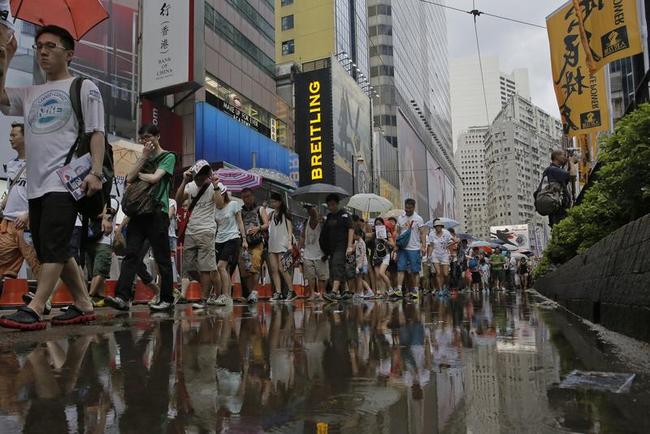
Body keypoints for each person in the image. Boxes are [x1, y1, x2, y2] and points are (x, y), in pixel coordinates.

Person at [0, 26, 104, 329]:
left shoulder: (84, 86)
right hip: (35, 186)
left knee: (55, 244)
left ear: (69, 54)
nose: (42, 51)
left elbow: (96, 132)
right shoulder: (30, 93)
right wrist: (4, 61)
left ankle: (36, 306)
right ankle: (84, 303)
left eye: (50, 46)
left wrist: (96, 172)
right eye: (38, 46)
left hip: (65, 181)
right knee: (51, 248)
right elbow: (1, 97)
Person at [105, 124, 176, 312]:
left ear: (157, 136)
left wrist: (141, 175)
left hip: (157, 212)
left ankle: (167, 299)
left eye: (148, 137)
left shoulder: (168, 157)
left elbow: (155, 178)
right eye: (142, 138)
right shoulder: (143, 157)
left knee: (162, 258)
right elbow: (129, 178)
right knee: (131, 255)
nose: (145, 141)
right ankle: (123, 297)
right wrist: (143, 158)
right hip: (138, 214)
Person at [0, 123, 41, 291]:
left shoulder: (38, 164)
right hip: (8, 223)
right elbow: (12, 189)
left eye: (14, 135)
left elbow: (42, 195)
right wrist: (3, 204)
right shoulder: (11, 165)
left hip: (28, 225)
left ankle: (44, 300)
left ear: (26, 138)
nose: (10, 138)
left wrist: (28, 214)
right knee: (3, 262)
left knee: (37, 263)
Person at [175, 160, 218, 309]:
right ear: (194, 174)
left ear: (208, 174)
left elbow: (219, 204)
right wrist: (183, 180)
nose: (201, 177)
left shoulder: (214, 186)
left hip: (207, 230)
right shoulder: (189, 186)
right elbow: (178, 200)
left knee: (206, 267)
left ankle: (204, 299)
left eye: (204, 174)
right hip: (191, 231)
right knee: (188, 267)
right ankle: (209, 289)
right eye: (198, 174)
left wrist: (216, 185)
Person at [213, 183, 247, 308]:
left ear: (223, 194)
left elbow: (240, 222)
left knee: (221, 266)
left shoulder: (233, 205)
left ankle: (226, 296)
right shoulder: (215, 208)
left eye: (219, 194)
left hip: (232, 238)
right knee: (221, 269)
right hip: (219, 240)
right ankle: (224, 295)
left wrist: (244, 239)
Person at [320, 194, 354, 302]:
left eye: (333, 205)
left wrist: (349, 246)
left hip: (342, 246)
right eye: (329, 205)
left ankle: (334, 292)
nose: (331, 207)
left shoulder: (344, 215)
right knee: (334, 269)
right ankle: (344, 292)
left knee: (337, 267)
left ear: (338, 204)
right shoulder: (329, 217)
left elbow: (351, 229)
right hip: (331, 248)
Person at [86, 198, 119, 306]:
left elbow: (109, 214)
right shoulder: (93, 202)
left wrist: (96, 214)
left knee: (99, 271)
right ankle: (101, 298)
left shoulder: (111, 201)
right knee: (93, 272)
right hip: (91, 240)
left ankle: (88, 298)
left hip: (105, 241)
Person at [239, 187, 269, 304]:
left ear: (253, 196)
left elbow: (267, 224)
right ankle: (249, 293)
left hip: (257, 242)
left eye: (248, 196)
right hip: (244, 242)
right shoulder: (240, 211)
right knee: (245, 269)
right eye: (244, 197)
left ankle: (253, 292)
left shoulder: (260, 209)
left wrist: (258, 228)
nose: (246, 199)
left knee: (255, 266)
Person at [395, 199, 427, 300]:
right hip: (403, 248)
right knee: (401, 269)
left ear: (414, 207)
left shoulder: (418, 218)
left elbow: (422, 233)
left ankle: (415, 291)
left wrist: (423, 246)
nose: (407, 210)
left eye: (410, 208)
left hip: (414, 248)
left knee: (415, 270)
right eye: (406, 207)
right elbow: (397, 232)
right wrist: (396, 244)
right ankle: (399, 290)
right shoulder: (400, 218)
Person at [267, 192, 296, 302]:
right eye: (272, 201)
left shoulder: (285, 214)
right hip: (272, 243)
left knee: (282, 268)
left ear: (280, 202)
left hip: (282, 244)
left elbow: (290, 229)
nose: (273, 203)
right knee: (274, 269)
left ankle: (291, 291)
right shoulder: (271, 214)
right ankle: (278, 292)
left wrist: (289, 243)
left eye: (274, 201)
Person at [300, 204, 328, 301]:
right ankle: (312, 293)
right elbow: (303, 235)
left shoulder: (323, 220)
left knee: (321, 275)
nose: (309, 211)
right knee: (310, 275)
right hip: (308, 252)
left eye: (311, 208)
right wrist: (300, 249)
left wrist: (323, 222)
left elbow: (329, 233)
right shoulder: (305, 221)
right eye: (308, 209)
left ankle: (321, 294)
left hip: (320, 252)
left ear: (316, 208)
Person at [546, 150, 572, 227]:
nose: (565, 158)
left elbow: (567, 179)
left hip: (558, 208)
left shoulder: (555, 170)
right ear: (556, 157)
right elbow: (572, 174)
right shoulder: (553, 169)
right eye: (563, 155)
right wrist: (572, 162)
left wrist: (569, 163)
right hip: (558, 210)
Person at [427, 220, 452, 294]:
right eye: (436, 226)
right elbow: (431, 246)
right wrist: (429, 255)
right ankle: (440, 289)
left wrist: (451, 252)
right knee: (438, 273)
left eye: (439, 226)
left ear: (441, 226)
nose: (437, 228)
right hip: (435, 254)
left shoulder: (446, 233)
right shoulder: (431, 234)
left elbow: (453, 240)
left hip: (444, 254)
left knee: (446, 274)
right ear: (434, 227)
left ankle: (446, 287)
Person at [370, 217, 393, 297]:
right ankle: (379, 292)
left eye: (379, 224)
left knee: (381, 273)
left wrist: (385, 239)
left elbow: (392, 244)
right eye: (376, 224)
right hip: (376, 256)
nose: (378, 226)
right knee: (377, 275)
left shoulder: (387, 233)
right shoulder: (374, 234)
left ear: (383, 224)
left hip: (385, 255)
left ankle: (390, 289)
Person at [353, 228, 374, 299]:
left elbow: (362, 254)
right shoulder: (358, 242)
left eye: (354, 235)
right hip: (359, 262)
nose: (353, 236)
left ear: (357, 235)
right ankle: (361, 292)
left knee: (360, 278)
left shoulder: (361, 243)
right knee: (359, 278)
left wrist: (359, 265)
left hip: (361, 263)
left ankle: (368, 290)